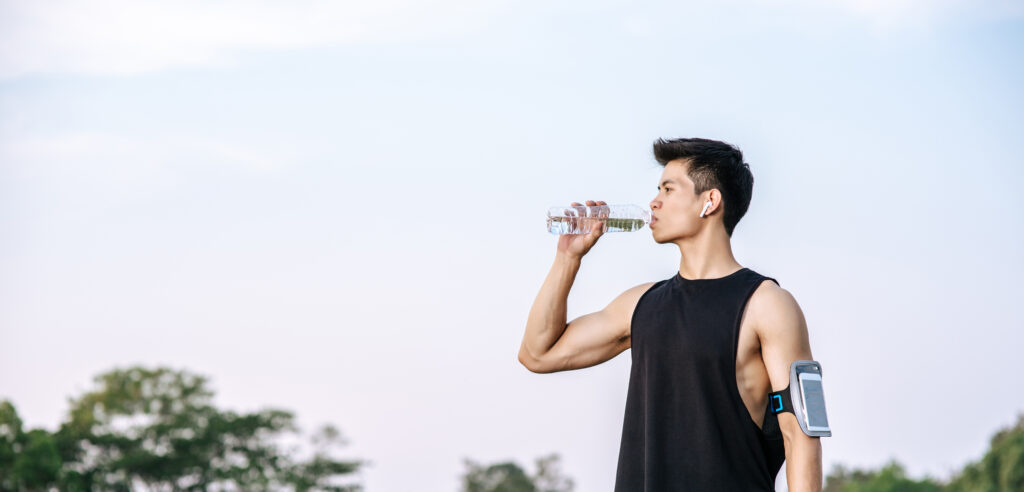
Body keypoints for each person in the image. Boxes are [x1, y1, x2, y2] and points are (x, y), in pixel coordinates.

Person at [517, 137, 823, 491]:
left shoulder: (768, 304)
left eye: (668, 189)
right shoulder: (640, 304)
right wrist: (567, 259)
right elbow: (537, 354)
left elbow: (800, 431)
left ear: (709, 202)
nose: (654, 202)